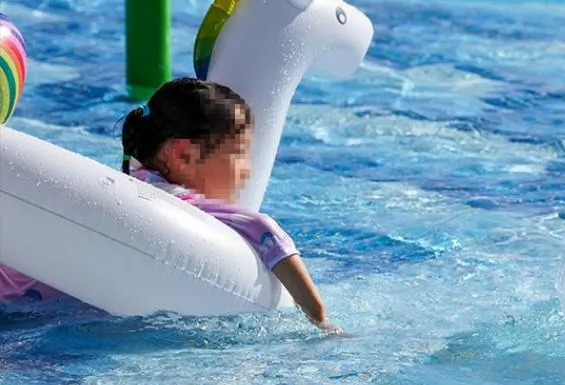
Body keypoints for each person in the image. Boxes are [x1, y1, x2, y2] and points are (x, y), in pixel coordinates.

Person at [0, 78, 334, 330]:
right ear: (184, 154)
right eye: (239, 155)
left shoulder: (132, 183)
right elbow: (265, 231)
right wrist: (319, 317)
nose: (248, 170)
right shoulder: (178, 206)